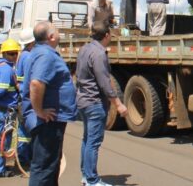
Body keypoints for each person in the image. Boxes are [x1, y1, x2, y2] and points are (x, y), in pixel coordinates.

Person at [22, 21, 77, 186]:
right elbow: (36, 83)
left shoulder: (41, 52)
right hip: (47, 121)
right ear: (51, 36)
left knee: (51, 165)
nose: (59, 33)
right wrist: (39, 111)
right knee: (44, 167)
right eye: (57, 31)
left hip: (50, 121)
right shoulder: (46, 55)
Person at [76, 22, 129, 186]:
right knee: (93, 142)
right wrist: (119, 104)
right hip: (94, 103)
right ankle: (92, 180)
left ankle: (86, 176)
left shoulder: (84, 49)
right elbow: (105, 82)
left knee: (87, 140)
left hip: (83, 101)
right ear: (107, 35)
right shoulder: (99, 54)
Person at [0, 38, 20, 178]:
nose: (14, 56)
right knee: (2, 140)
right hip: (5, 109)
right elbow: (2, 90)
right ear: (4, 54)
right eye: (11, 54)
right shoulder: (7, 69)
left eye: (15, 53)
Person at [15, 28, 36, 169]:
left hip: (22, 98)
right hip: (26, 99)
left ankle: (23, 158)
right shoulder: (28, 57)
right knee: (26, 131)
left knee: (24, 131)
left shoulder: (22, 55)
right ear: (32, 41)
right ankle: (24, 159)